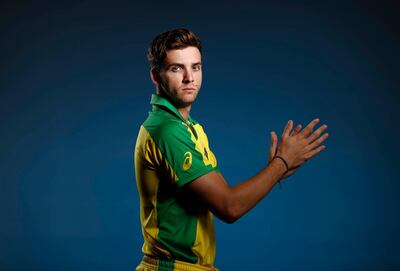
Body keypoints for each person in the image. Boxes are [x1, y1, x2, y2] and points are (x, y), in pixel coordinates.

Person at [134, 28, 329, 271]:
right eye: (176, 68)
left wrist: (277, 168)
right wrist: (282, 162)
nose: (189, 78)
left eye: (195, 67)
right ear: (156, 75)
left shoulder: (189, 127)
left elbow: (224, 195)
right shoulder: (167, 130)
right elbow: (230, 207)